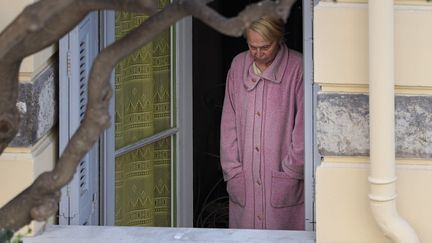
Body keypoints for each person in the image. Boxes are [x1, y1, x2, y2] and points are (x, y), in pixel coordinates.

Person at [220, 16, 304, 230]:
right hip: (244, 180)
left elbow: (303, 129)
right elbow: (228, 124)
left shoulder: (298, 68)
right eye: (252, 46)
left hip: (283, 182)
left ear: (279, 39)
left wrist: (292, 171)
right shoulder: (238, 65)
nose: (257, 53)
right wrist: (233, 172)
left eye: (265, 47)